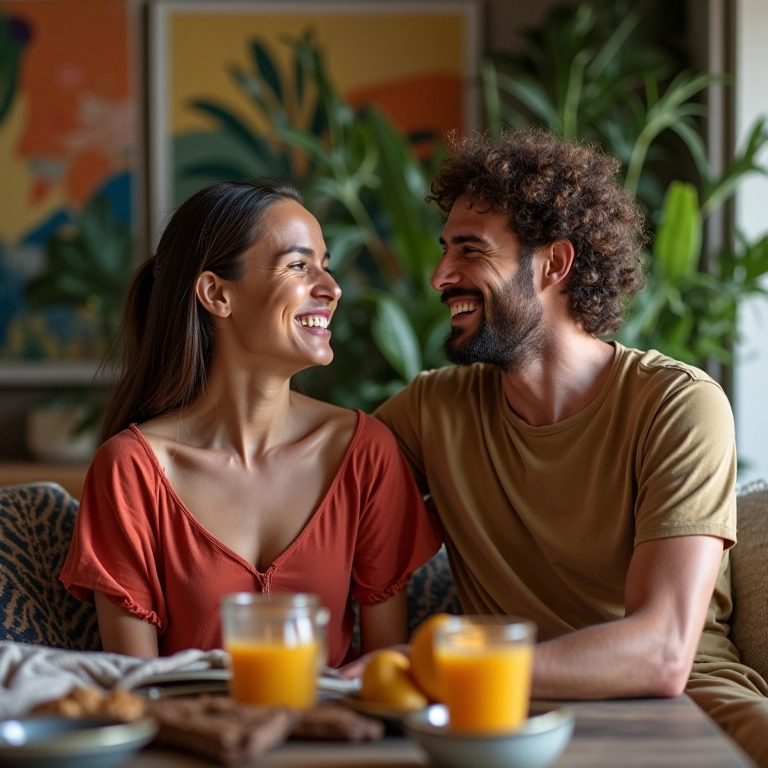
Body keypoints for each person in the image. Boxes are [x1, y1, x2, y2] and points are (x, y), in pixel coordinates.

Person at [375, 130, 768, 763]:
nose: (440, 276)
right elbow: (306, 474)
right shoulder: (432, 411)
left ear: (555, 264)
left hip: (695, 706)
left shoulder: (676, 404)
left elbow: (663, 653)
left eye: (470, 251)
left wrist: (447, 668)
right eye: (446, 251)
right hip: (508, 720)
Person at [60, 179, 441, 667]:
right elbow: (139, 687)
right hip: (190, 740)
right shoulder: (131, 471)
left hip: (337, 739)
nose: (331, 288)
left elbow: (387, 675)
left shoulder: (364, 452)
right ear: (216, 294)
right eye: (299, 266)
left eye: (326, 266)